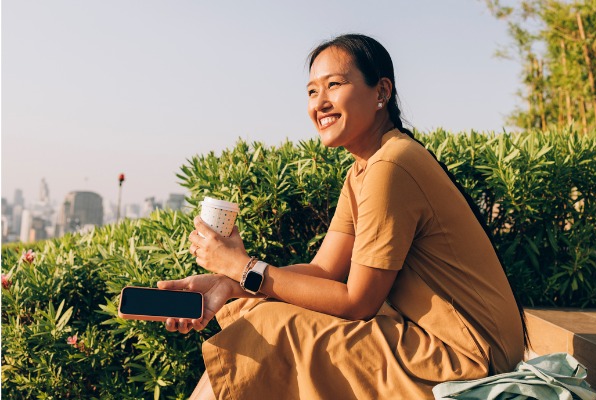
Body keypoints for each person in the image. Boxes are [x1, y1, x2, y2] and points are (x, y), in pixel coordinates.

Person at [159, 33, 527, 400]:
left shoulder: (392, 165)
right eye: (311, 92)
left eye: (334, 85)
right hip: (438, 343)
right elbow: (323, 272)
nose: (320, 103)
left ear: (381, 92)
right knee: (258, 308)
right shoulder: (364, 171)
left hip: (465, 360)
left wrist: (244, 267)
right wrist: (229, 282)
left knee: (271, 325)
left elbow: (357, 302)